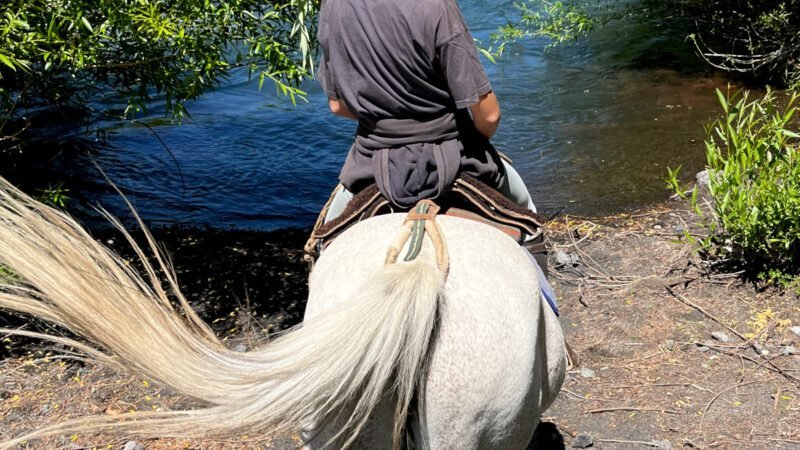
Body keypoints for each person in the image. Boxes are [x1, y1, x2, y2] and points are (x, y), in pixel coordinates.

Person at [316, 0, 538, 223]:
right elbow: (489, 115)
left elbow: (337, 106)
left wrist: (385, 116)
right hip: (457, 156)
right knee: (526, 211)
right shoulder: (437, 5)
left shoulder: (332, 5)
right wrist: (476, 144)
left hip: (371, 163)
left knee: (328, 232)